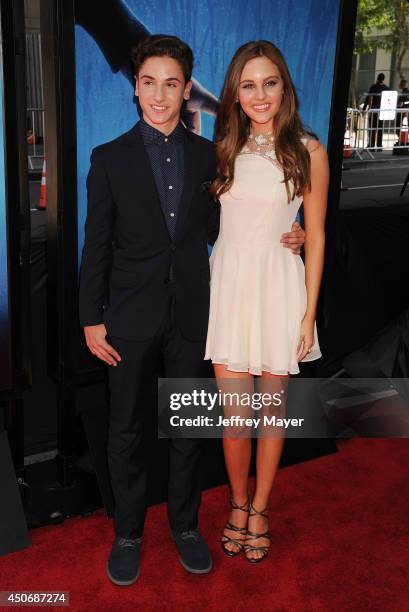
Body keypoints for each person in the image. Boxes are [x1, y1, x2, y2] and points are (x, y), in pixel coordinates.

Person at [78, 34, 306, 585]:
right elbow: (96, 244)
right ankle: (129, 533)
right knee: (126, 429)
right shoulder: (107, 159)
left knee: (188, 429)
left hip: (195, 317)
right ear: (135, 88)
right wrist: (91, 317)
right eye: (149, 83)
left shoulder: (212, 156)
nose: (160, 95)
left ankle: (185, 526)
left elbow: (222, 229)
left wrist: (290, 233)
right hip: (128, 321)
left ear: (187, 92)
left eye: (172, 84)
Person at [205, 40, 329, 563]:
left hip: (280, 287)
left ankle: (260, 507)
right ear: (235, 92)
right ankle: (235, 502)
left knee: (270, 415)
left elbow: (317, 235)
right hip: (230, 287)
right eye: (249, 84)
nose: (260, 94)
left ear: (284, 87)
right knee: (236, 419)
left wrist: (309, 313)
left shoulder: (309, 150)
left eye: (269, 83)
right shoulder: (220, 147)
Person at [364, 73, 389, 150]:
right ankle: (379, 146)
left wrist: (365, 108)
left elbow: (369, 98)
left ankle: (371, 145)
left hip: (374, 110)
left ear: (377, 78)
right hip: (382, 111)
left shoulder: (373, 87)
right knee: (380, 128)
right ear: (383, 79)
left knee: (372, 127)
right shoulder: (386, 88)